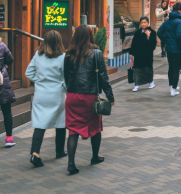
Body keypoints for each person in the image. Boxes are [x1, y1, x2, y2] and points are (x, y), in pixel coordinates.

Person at [63, 26, 114, 175]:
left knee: (73, 130)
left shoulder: (68, 54)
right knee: (95, 126)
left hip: (72, 96)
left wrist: (69, 90)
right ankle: (94, 156)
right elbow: (103, 77)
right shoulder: (96, 53)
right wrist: (110, 96)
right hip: (90, 96)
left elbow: (65, 76)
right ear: (90, 36)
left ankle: (71, 163)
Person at [25, 31, 67, 167]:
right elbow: (66, 77)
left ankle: (35, 153)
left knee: (40, 124)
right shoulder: (63, 57)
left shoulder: (38, 55)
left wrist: (40, 80)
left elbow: (28, 72)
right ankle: (59, 151)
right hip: (57, 93)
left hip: (41, 93)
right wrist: (63, 86)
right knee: (60, 123)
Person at [156, 3, 181, 96]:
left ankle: (172, 85)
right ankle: (173, 88)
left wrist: (165, 40)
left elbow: (159, 32)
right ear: (179, 11)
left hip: (169, 48)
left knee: (171, 67)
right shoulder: (179, 22)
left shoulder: (167, 21)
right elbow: (179, 36)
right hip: (177, 49)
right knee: (176, 69)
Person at [129, 16, 157, 91]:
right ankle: (137, 84)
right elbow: (134, 44)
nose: (143, 24)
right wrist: (131, 53)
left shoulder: (152, 32)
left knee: (147, 69)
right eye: (142, 22)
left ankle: (151, 82)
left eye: (145, 22)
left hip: (147, 55)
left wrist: (148, 36)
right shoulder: (137, 33)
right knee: (137, 69)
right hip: (138, 54)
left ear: (148, 23)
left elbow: (153, 45)